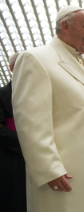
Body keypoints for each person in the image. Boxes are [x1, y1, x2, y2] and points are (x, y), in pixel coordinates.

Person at [12, 5, 84, 212]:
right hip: (66, 173)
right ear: (65, 26)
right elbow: (30, 121)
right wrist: (49, 169)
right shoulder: (35, 58)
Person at [0, 52, 27, 212]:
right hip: (11, 154)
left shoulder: (40, 92)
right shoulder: (2, 94)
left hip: (38, 152)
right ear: (11, 68)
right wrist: (28, 141)